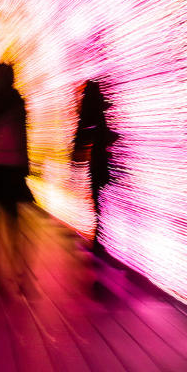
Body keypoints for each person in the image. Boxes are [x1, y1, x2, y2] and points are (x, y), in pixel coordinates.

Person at [0, 63, 34, 291]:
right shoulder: (16, 101)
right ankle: (17, 266)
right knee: (12, 218)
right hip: (11, 167)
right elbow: (22, 134)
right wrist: (24, 162)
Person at [72, 79, 116, 249]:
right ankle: (100, 233)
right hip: (103, 159)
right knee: (99, 196)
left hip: (97, 160)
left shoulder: (88, 112)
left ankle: (99, 235)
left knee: (96, 196)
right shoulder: (102, 110)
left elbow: (82, 135)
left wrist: (75, 159)